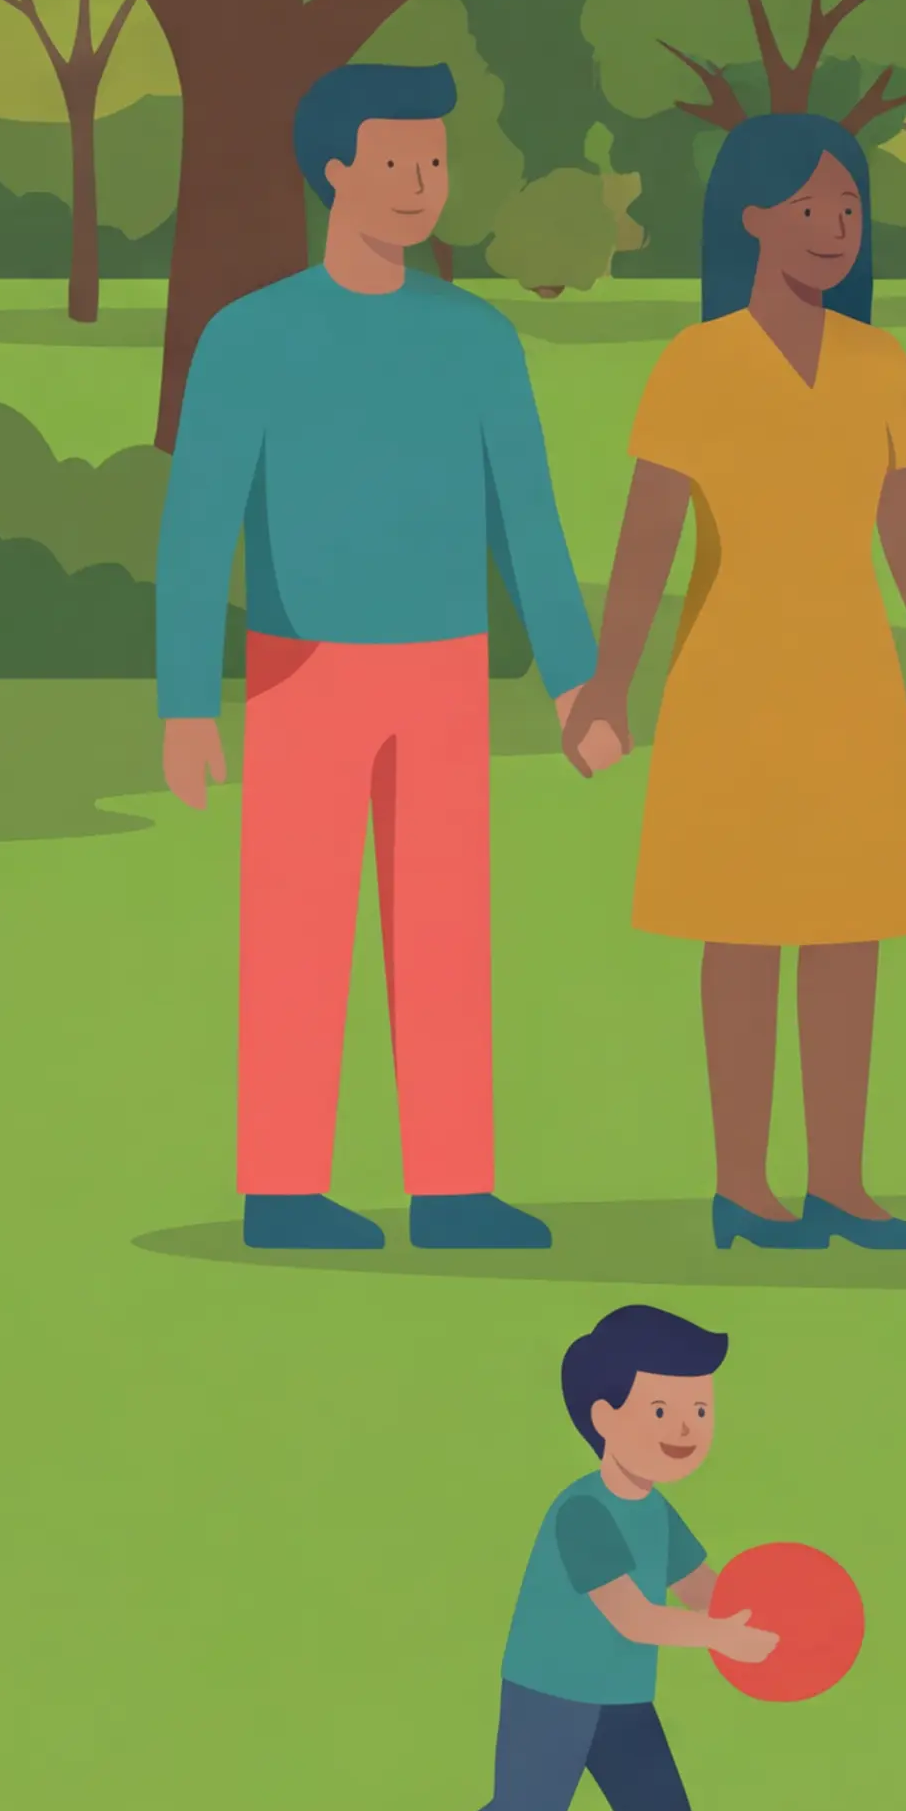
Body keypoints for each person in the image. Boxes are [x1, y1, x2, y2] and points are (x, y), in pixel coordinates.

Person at [153, 64, 595, 1254]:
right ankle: (284, 1189)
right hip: (302, 670)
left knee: (445, 932)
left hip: (445, 670)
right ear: (335, 168)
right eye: (396, 162)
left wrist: (575, 681)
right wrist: (186, 703)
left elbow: (529, 522)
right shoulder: (251, 338)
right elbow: (199, 522)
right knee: (298, 928)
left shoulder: (477, 341)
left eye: (434, 164)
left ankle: (452, 1188)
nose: (418, 186)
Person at [564, 115, 906, 1252]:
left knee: (848, 931)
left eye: (848, 210)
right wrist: (608, 687)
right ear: (753, 216)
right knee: (743, 930)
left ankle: (842, 1182)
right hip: (730, 677)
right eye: (808, 207)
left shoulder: (877, 365)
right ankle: (739, 1183)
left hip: (851, 681)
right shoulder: (696, 363)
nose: (831, 230)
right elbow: (645, 544)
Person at [371, 1304, 777, 1811]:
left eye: (700, 1411)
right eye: (661, 1411)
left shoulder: (658, 1512)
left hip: (621, 1696)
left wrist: (776, 1619)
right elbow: (634, 1619)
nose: (686, 1430)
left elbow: (703, 1589)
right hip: (552, 1693)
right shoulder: (583, 1512)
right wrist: (719, 1636)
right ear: (603, 1418)